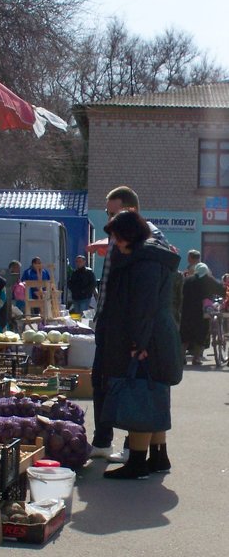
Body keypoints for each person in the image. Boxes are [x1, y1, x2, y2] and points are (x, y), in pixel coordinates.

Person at [90, 185, 174, 464]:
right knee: (148, 392)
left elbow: (143, 305)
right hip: (144, 334)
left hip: (140, 337)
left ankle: (136, 459)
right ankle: (155, 457)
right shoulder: (147, 254)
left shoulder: (145, 258)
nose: (114, 240)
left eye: (114, 220)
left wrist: (139, 341)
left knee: (138, 392)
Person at [179, 262, 225, 365]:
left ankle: (181, 358)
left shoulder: (188, 280)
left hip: (187, 312)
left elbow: (180, 293)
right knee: (201, 334)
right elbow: (221, 290)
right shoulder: (208, 280)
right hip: (201, 312)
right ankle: (196, 358)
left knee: (184, 335)